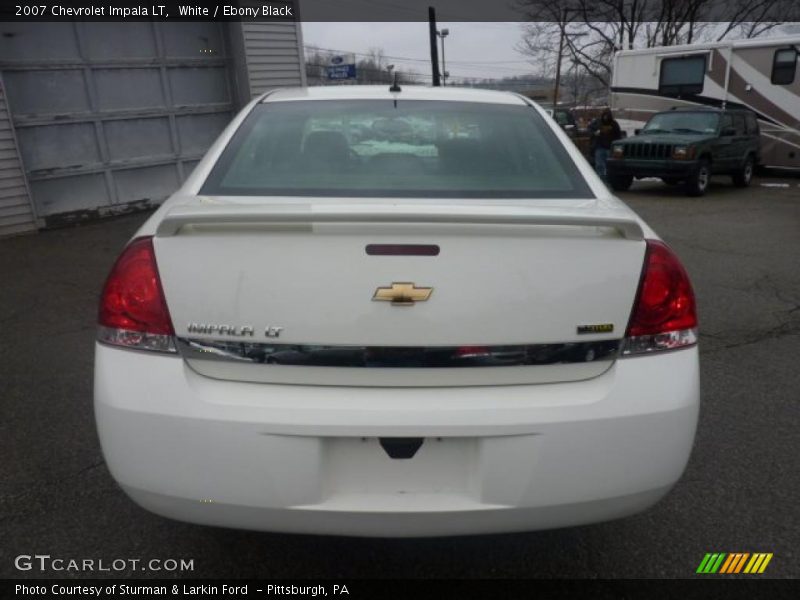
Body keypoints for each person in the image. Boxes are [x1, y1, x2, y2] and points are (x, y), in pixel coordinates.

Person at [589, 108, 622, 181]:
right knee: (599, 165)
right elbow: (590, 129)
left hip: (610, 147)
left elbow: (618, 136)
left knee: (609, 165)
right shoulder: (597, 122)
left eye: (607, 116)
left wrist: (617, 149)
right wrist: (595, 133)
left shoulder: (614, 124)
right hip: (599, 147)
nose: (605, 118)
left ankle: (608, 179)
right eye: (604, 116)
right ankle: (599, 179)